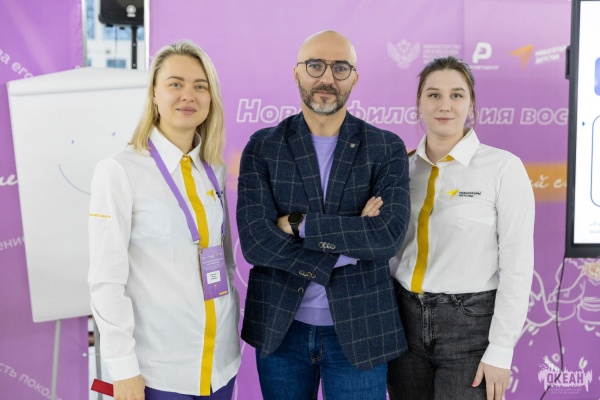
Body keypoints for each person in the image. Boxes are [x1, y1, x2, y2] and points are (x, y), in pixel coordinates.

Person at [236, 30, 410, 400]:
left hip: (362, 330)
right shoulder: (263, 147)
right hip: (281, 330)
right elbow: (256, 242)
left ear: (355, 78)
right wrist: (353, 236)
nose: (327, 78)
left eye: (340, 68)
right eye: (315, 66)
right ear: (297, 72)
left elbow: (386, 237)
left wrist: (299, 224)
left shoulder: (385, 147)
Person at [88, 40, 241, 400]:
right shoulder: (120, 171)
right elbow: (106, 282)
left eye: (200, 86)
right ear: (154, 94)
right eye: (175, 84)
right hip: (159, 374)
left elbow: (224, 262)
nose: (188, 95)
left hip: (220, 367)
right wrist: (123, 369)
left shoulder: (213, 170)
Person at [387, 56, 534, 400]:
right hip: (403, 324)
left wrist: (501, 349)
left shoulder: (502, 168)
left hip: (470, 328)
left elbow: (517, 266)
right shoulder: (400, 168)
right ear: (419, 103)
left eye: (456, 95)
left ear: (471, 104)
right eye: (433, 95)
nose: (445, 105)